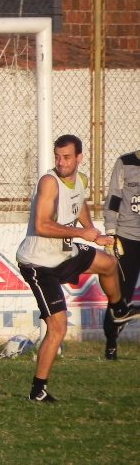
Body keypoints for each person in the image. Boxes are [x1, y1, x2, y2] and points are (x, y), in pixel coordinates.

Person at [16, 134, 140, 403]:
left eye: (67, 157)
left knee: (108, 263)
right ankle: (38, 391)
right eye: (58, 156)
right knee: (58, 328)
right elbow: (41, 225)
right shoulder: (49, 182)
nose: (61, 162)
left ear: (79, 158)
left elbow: (80, 202)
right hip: (39, 264)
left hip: (65, 253)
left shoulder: (80, 180)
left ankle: (119, 310)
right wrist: (83, 233)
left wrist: (93, 231)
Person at [102, 149, 140, 360]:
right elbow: (114, 197)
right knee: (120, 296)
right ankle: (111, 342)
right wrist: (110, 232)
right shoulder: (125, 162)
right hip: (127, 237)